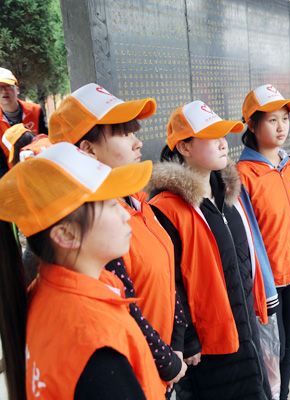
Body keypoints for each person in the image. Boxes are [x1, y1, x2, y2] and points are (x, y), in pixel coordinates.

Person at [48, 83, 187, 393]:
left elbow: (169, 276)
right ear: (88, 150)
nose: (138, 143)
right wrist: (166, 360)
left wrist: (177, 342)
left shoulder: (138, 201)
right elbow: (124, 306)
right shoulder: (94, 229)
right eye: (124, 134)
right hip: (138, 373)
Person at [0, 142, 164, 399]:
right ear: (66, 234)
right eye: (110, 204)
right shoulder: (93, 339)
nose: (125, 215)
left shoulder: (49, 295)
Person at [148, 100, 278, 400]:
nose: (223, 143)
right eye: (211, 136)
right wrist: (187, 339)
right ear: (184, 147)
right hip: (209, 346)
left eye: (223, 135)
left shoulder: (228, 198)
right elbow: (172, 284)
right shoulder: (166, 209)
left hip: (245, 330)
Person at [238, 84, 290, 399]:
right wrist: (263, 284)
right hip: (266, 283)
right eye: (272, 120)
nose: (281, 126)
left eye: (285, 119)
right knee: (272, 348)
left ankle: (282, 394)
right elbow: (248, 236)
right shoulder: (243, 175)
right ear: (252, 125)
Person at [0, 67, 47, 176]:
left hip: (40, 169)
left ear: (17, 89)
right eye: (0, 87)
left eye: (9, 86)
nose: (4, 91)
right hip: (11, 175)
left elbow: (46, 139)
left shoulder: (35, 110)